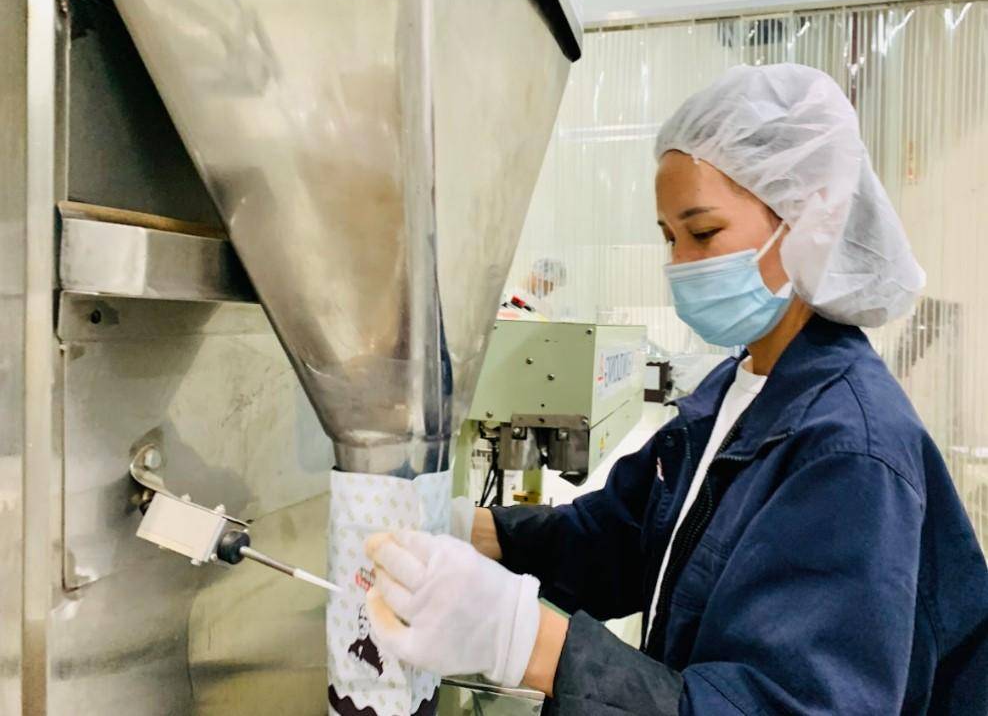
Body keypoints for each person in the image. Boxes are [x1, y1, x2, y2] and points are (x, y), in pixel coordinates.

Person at [363, 65, 988, 713]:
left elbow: (786, 704)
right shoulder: (736, 386)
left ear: (808, 222)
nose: (679, 265)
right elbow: (621, 538)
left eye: (704, 232)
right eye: (668, 236)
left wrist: (527, 640)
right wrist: (473, 528)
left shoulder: (850, 453)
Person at [498, 257, 567, 321]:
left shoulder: (545, 308)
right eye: (550, 283)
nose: (551, 289)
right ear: (538, 275)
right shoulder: (508, 298)